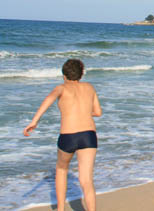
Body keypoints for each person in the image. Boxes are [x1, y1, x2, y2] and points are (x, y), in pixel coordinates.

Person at [23, 59, 102, 211]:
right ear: (81, 74)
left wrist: (34, 121)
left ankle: (60, 209)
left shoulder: (61, 88)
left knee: (61, 169)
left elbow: (48, 99)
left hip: (69, 136)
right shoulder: (89, 87)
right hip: (89, 135)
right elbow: (98, 112)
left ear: (64, 75)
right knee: (86, 180)